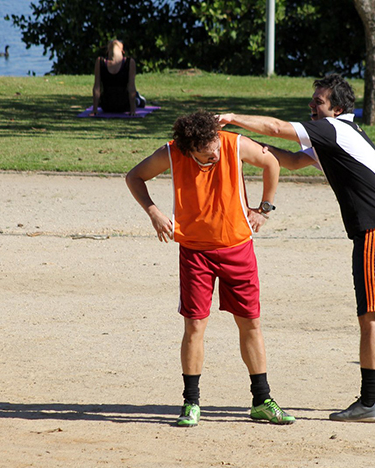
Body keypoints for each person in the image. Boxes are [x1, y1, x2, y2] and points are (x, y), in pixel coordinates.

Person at [219, 74, 375, 423]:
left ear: (336, 109)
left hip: (374, 229)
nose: (311, 106)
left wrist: (232, 119)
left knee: (371, 315)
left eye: (318, 102)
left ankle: (369, 401)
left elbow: (276, 128)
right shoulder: (342, 136)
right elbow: (290, 160)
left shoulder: (332, 130)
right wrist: (239, 145)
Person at [126, 110, 295, 427]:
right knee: (194, 327)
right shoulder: (172, 153)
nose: (216, 153)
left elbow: (271, 162)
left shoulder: (232, 144)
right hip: (195, 253)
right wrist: (153, 212)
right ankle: (191, 403)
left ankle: (262, 400)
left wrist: (265, 209)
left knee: (251, 324)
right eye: (207, 153)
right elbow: (133, 176)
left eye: (216, 146)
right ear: (189, 150)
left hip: (238, 249)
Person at [92, 39, 146, 116]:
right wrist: (94, 110)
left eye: (118, 41)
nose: (114, 41)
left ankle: (139, 100)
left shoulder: (129, 62)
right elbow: (96, 87)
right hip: (107, 106)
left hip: (125, 105)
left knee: (136, 99)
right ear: (107, 50)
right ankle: (138, 98)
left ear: (122, 50)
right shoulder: (100, 62)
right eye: (111, 41)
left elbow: (131, 86)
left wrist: (133, 110)